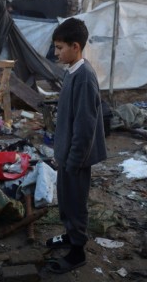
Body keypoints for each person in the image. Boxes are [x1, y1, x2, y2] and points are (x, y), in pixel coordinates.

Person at [45, 18, 107, 274]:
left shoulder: (84, 78)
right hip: (67, 154)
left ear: (76, 46)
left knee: (76, 202)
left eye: (60, 48)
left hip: (76, 158)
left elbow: (85, 127)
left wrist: (73, 160)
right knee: (66, 200)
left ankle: (78, 251)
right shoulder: (72, 71)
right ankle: (70, 236)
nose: (56, 53)